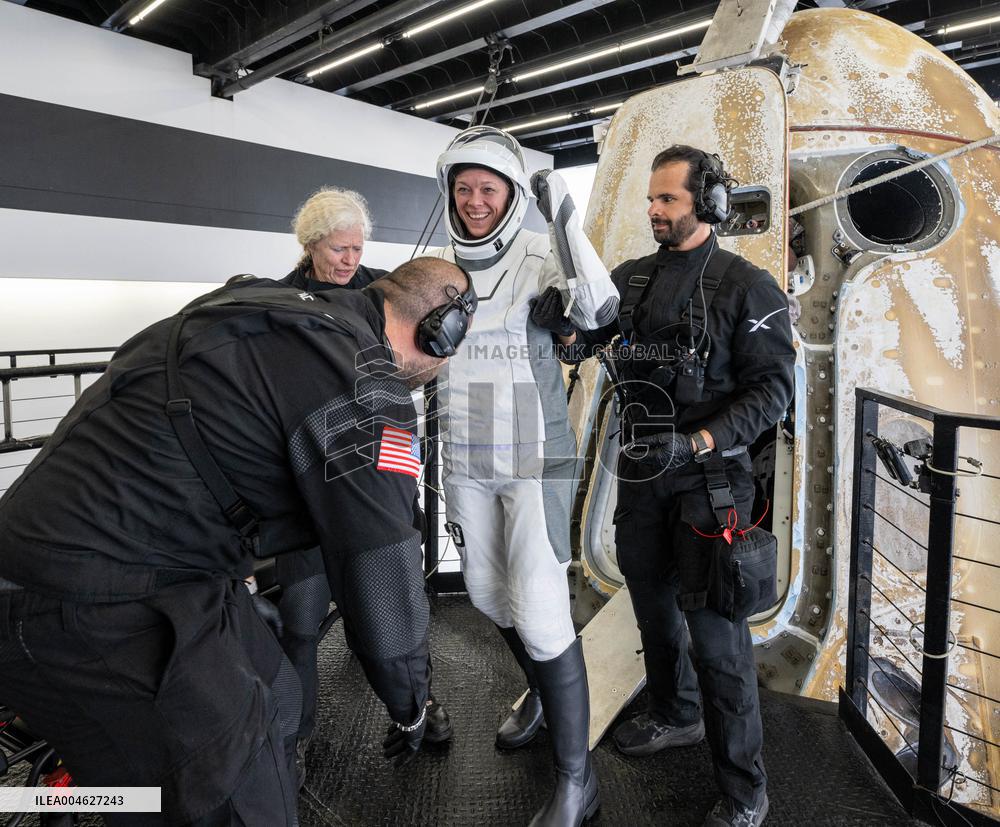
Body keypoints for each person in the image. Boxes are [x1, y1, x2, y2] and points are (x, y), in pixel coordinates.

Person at [0, 256, 474, 826]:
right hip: (89, 601)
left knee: (279, 691)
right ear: (441, 333)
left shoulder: (264, 309)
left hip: (138, 565)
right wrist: (411, 707)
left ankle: (121, 793)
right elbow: (384, 581)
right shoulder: (365, 385)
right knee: (239, 806)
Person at [566, 145, 795, 827]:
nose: (653, 210)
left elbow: (774, 390)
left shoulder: (747, 287)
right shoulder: (631, 279)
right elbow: (590, 331)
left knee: (718, 643)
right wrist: (571, 333)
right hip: (641, 482)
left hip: (708, 485)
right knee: (653, 615)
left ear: (710, 203)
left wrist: (697, 440)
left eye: (667, 199)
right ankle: (676, 713)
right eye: (652, 198)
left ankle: (746, 790)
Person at [431, 125, 619, 827]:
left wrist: (563, 207)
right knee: (486, 594)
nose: (476, 201)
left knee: (540, 609)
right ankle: (542, 688)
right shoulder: (435, 264)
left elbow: (599, 312)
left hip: (535, 457)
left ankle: (578, 781)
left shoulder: (542, 252)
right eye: (465, 188)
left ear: (510, 193)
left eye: (489, 189)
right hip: (465, 457)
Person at [269, 187, 451, 784]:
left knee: (395, 597)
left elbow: (415, 353)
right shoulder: (284, 301)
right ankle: (296, 740)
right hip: (306, 484)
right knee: (300, 621)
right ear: (310, 245)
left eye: (356, 248)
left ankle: (418, 703)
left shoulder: (380, 291)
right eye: (338, 249)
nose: (349, 260)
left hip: (375, 464)